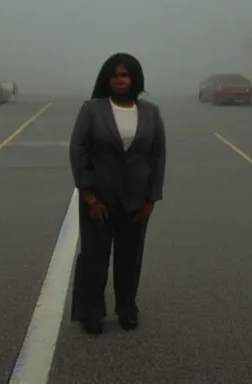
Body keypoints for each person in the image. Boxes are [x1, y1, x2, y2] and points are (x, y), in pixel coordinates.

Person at [69, 52, 167, 335]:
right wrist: (88, 195)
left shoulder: (150, 111)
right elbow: (78, 151)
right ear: (106, 79)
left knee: (130, 259)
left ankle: (127, 309)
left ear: (134, 78)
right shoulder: (92, 109)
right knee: (94, 259)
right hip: (99, 200)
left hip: (137, 200)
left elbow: (158, 157)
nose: (120, 80)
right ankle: (91, 312)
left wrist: (152, 199)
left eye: (125, 75)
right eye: (114, 75)